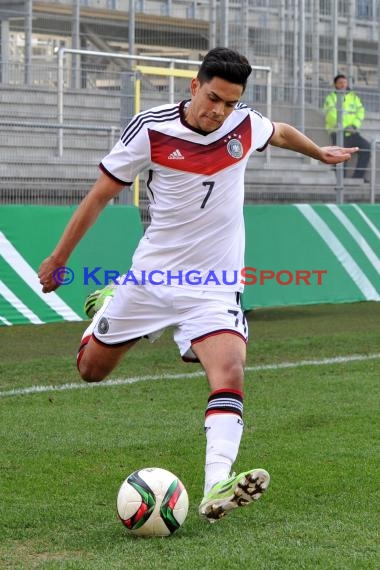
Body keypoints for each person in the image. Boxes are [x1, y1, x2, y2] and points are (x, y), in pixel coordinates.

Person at [38, 48, 357, 523]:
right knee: (91, 371)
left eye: (230, 103)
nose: (220, 111)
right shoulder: (150, 129)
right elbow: (100, 195)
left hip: (215, 285)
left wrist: (319, 152)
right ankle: (106, 307)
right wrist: (60, 259)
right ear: (194, 86)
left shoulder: (243, 125)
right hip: (151, 280)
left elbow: (282, 131)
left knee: (229, 369)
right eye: (213, 98)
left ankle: (215, 487)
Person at [323, 73, 370, 180]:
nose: (343, 85)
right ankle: (340, 180)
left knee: (366, 147)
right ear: (335, 84)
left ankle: (357, 178)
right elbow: (331, 114)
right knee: (340, 155)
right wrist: (344, 127)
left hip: (352, 132)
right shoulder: (331, 98)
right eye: (340, 83)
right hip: (338, 132)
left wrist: (354, 126)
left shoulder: (354, 97)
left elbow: (360, 112)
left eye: (344, 82)